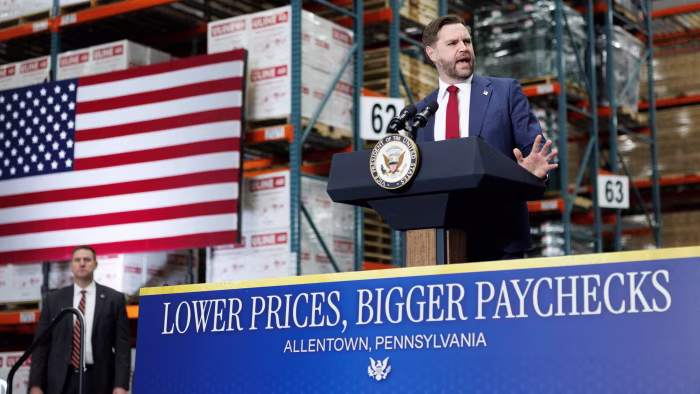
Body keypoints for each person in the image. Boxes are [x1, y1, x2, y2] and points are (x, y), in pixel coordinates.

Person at [414, 14, 559, 261]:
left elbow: (533, 151)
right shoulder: (421, 113)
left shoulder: (505, 92)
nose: (463, 48)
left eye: (467, 41)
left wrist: (534, 173)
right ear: (432, 54)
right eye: (452, 44)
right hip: (439, 244)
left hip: (500, 243)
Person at [29, 246, 131, 394]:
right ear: (71, 265)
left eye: (87, 260)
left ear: (95, 264)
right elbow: (41, 345)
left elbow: (122, 347)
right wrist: (35, 385)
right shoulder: (53, 300)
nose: (82, 263)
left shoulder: (114, 299)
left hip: (99, 379)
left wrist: (121, 385)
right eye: (77, 260)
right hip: (61, 380)